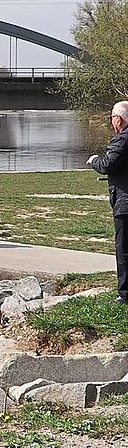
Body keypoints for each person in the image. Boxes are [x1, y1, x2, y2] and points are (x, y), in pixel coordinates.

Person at [87, 100, 128, 304]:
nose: (112, 121)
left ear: (119, 120)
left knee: (123, 248)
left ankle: (124, 295)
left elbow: (107, 165)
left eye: (112, 117)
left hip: (125, 204)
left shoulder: (121, 140)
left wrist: (94, 160)